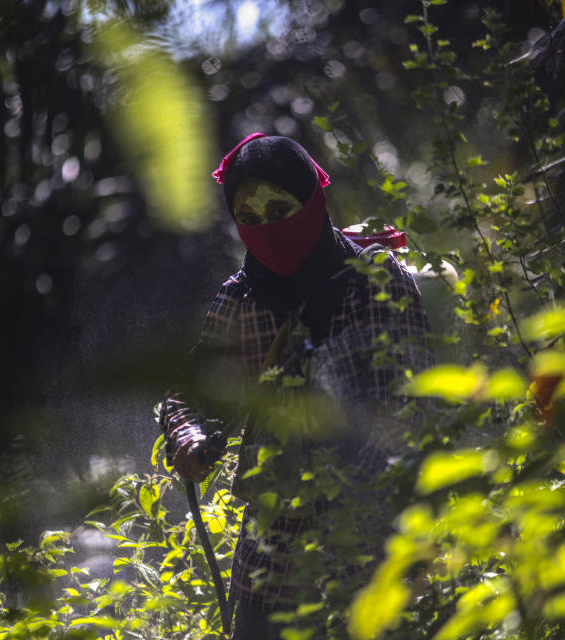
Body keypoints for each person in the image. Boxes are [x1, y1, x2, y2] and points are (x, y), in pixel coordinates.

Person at [158, 133, 433, 638]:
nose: (269, 230)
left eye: (280, 209)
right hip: (272, 561)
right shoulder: (241, 299)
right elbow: (190, 394)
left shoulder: (377, 281)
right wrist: (191, 437)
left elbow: (408, 408)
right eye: (251, 218)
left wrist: (335, 491)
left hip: (373, 550)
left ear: (312, 200)